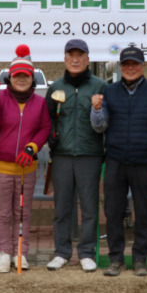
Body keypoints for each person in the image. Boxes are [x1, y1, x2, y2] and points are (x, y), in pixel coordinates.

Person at [90, 46, 147, 277]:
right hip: (115, 160)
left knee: (144, 212)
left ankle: (140, 260)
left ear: (143, 66)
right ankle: (116, 259)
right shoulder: (109, 91)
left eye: (135, 64)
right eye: (126, 64)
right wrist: (96, 110)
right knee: (113, 211)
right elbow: (99, 126)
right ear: (120, 67)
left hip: (145, 161)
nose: (130, 68)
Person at [0, 45, 51, 273]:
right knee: (3, 212)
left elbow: (44, 129)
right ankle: (3, 252)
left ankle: (19, 252)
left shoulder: (40, 103)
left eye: (26, 76)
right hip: (1, 167)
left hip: (26, 166)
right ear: (10, 78)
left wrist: (32, 148)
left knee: (23, 212)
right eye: (17, 76)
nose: (21, 79)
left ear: (32, 79)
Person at [45, 39, 106, 272]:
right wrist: (51, 135)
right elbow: (48, 118)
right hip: (62, 155)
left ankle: (86, 252)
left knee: (90, 207)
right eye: (71, 55)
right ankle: (61, 252)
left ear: (88, 59)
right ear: (65, 58)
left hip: (90, 154)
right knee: (62, 207)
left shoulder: (100, 86)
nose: (75, 59)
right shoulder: (56, 87)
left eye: (80, 55)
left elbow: (107, 121)